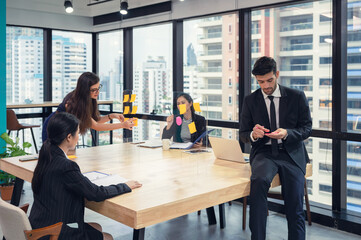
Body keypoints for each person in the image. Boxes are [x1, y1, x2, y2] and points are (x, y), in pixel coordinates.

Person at [30, 112, 142, 240]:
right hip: (53, 232)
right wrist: (125, 186)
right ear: (68, 137)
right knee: (108, 237)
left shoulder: (47, 155)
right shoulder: (66, 166)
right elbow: (96, 193)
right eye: (78, 133)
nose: (79, 136)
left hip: (39, 224)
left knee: (97, 227)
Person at [239, 56, 312, 240]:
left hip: (291, 153)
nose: (265, 86)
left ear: (277, 74)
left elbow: (306, 129)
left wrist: (286, 133)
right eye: (260, 82)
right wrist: (254, 134)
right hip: (264, 153)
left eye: (269, 80)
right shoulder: (250, 100)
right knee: (258, 184)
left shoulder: (296, 97)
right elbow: (243, 133)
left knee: (295, 203)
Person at [42, 72, 134, 141]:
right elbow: (96, 126)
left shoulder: (88, 99)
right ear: (84, 90)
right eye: (93, 90)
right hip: (54, 127)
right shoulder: (76, 102)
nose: (97, 92)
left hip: (66, 131)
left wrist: (112, 116)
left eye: (98, 88)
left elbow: (96, 120)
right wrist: (123, 125)